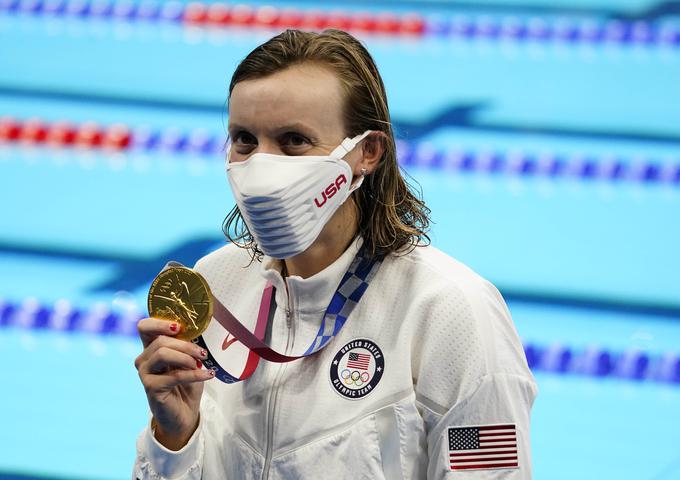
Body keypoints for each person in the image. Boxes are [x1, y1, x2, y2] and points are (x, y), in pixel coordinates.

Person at [133, 29, 537, 479]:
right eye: (245, 139)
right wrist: (174, 437)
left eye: (294, 140)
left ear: (367, 152)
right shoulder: (215, 285)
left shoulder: (451, 310)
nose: (261, 169)